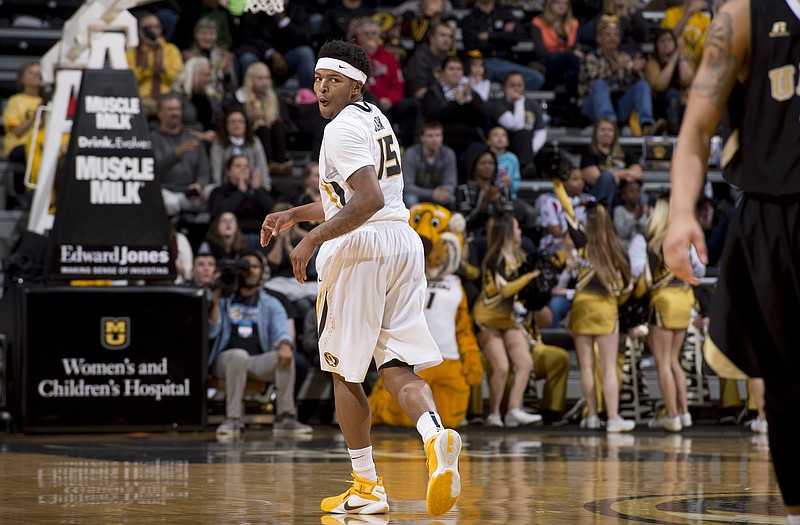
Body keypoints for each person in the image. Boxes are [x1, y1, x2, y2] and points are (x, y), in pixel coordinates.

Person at [259, 40, 461, 517]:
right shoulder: (375, 118)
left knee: (344, 371)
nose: (322, 88)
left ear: (355, 84)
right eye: (317, 80)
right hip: (402, 243)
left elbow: (364, 201)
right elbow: (357, 198)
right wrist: (295, 215)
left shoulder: (340, 130)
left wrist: (313, 239)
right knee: (395, 367)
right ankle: (435, 437)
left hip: (363, 248)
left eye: (332, 80)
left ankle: (367, 487)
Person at [663, 0, 800, 519]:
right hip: (775, 215)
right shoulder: (742, 16)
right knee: (786, 387)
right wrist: (680, 213)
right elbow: (697, 129)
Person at [207, 249, 313, 440]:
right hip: (226, 360)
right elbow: (211, 330)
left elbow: (282, 329)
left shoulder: (270, 302)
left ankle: (285, 417)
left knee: (284, 356)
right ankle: (233, 418)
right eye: (246, 267)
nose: (251, 271)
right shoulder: (224, 299)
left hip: (256, 361)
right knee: (238, 355)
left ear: (262, 272)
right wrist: (216, 294)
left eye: (255, 267)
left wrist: (284, 345)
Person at [637, 197, 704, 431]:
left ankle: (672, 415)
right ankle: (684, 412)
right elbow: (699, 270)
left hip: (663, 300)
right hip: (683, 299)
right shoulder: (682, 242)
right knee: (674, 360)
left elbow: (643, 278)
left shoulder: (650, 243)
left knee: (663, 361)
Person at [568, 202, 635, 433]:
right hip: (606, 309)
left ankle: (593, 416)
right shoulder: (615, 248)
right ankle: (614, 418)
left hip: (581, 307)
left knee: (586, 366)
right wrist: (619, 297)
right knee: (607, 367)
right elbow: (629, 285)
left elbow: (566, 213)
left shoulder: (581, 243)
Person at [472, 213, 544, 428]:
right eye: (516, 227)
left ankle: (513, 410)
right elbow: (505, 289)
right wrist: (530, 277)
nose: (520, 231)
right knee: (501, 367)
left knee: (525, 363)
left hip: (507, 318)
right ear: (507, 232)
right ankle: (494, 414)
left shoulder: (521, 257)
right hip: (487, 318)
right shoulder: (494, 260)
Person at [578, 15, 667, 136]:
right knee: (600, 85)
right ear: (599, 38)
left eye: (615, 35)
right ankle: (609, 126)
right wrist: (613, 68)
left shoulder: (624, 58)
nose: (612, 38)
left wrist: (636, 71)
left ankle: (647, 125)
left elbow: (634, 88)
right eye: (608, 34)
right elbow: (593, 83)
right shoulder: (590, 58)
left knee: (642, 85)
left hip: (618, 105)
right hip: (592, 107)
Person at [151, 93, 211, 216]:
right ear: (159, 113)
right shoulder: (152, 139)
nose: (175, 113)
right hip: (166, 191)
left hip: (189, 191)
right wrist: (177, 154)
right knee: (171, 203)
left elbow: (204, 170)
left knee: (213, 192)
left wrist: (199, 184)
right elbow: (154, 170)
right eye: (170, 109)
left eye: (178, 109)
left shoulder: (193, 138)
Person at [236, 62, 294, 176]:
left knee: (277, 127)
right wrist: (249, 120)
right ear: (250, 80)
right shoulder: (239, 98)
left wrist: (276, 120)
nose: (264, 82)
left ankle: (279, 164)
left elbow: (289, 125)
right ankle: (266, 164)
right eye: (260, 78)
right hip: (250, 137)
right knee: (262, 129)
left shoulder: (275, 98)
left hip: (274, 138)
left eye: (267, 78)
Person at [208, 155, 275, 248]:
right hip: (233, 238)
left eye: (246, 166)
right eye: (238, 166)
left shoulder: (258, 191)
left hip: (261, 236)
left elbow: (273, 210)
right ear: (228, 172)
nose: (243, 169)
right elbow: (219, 213)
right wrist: (240, 192)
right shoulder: (219, 192)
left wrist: (258, 190)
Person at [126, 13, 184, 117]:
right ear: (140, 31)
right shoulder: (131, 52)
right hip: (141, 99)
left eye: (157, 27)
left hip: (166, 97)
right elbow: (128, 79)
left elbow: (178, 77)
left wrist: (163, 70)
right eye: (149, 28)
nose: (154, 31)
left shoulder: (171, 50)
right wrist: (145, 69)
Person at [491, 71, 548, 176]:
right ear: (504, 87)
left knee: (528, 136)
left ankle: (528, 168)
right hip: (506, 144)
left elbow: (541, 131)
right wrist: (518, 102)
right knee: (523, 132)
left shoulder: (532, 105)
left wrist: (532, 149)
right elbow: (515, 125)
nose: (516, 88)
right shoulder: (500, 104)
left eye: (519, 85)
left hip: (527, 148)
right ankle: (523, 169)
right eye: (512, 85)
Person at [580, 117, 643, 209]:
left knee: (637, 192)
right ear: (596, 133)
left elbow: (638, 174)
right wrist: (624, 174)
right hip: (598, 196)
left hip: (623, 196)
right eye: (603, 130)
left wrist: (616, 175)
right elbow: (597, 179)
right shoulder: (588, 153)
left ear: (614, 134)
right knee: (607, 177)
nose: (606, 133)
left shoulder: (624, 152)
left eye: (610, 130)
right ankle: (604, 218)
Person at [644, 28, 696, 135]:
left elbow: (687, 80)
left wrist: (680, 56)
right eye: (662, 41)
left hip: (682, 107)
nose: (666, 44)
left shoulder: (685, 61)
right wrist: (673, 60)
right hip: (659, 106)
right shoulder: (652, 64)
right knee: (672, 94)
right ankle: (674, 132)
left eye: (669, 40)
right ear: (656, 45)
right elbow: (660, 86)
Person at [2, 61, 42, 197]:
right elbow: (17, 132)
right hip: (19, 145)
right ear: (22, 79)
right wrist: (35, 116)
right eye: (31, 72)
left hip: (41, 144)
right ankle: (29, 192)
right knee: (32, 151)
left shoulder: (47, 100)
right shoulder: (15, 101)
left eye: (39, 72)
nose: (36, 75)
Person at [209, 107, 270, 192]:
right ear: (226, 125)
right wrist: (219, 193)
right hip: (226, 188)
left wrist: (265, 189)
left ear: (246, 125)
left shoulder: (254, 141)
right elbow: (216, 171)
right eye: (232, 122)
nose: (237, 124)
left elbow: (262, 166)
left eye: (240, 121)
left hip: (251, 187)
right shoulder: (218, 143)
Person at [530, 0, 582, 96]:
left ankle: (569, 101)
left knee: (570, 72)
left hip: (568, 63)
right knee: (574, 58)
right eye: (558, 3)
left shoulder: (574, 24)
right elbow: (541, 52)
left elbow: (573, 47)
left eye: (565, 4)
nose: (562, 6)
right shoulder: (538, 22)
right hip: (547, 61)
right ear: (550, 4)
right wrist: (568, 54)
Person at [402, 120, 458, 208]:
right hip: (418, 194)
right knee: (410, 199)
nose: (434, 139)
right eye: (430, 136)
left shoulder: (448, 154)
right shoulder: (411, 154)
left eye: (438, 135)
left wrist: (445, 191)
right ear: (421, 138)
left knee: (452, 199)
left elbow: (451, 182)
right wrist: (431, 194)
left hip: (439, 195)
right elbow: (407, 186)